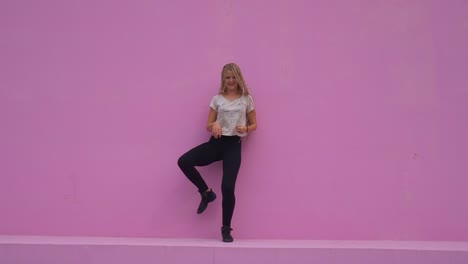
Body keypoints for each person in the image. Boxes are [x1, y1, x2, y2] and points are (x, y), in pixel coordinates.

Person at [177, 63, 257, 242]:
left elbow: (255, 124)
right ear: (223, 79)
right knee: (184, 161)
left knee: (228, 188)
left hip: (233, 146)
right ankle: (206, 192)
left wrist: (246, 128)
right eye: (227, 77)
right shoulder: (217, 99)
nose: (230, 80)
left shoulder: (247, 99)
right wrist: (214, 125)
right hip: (216, 144)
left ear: (238, 78)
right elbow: (208, 124)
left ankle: (226, 229)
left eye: (233, 77)